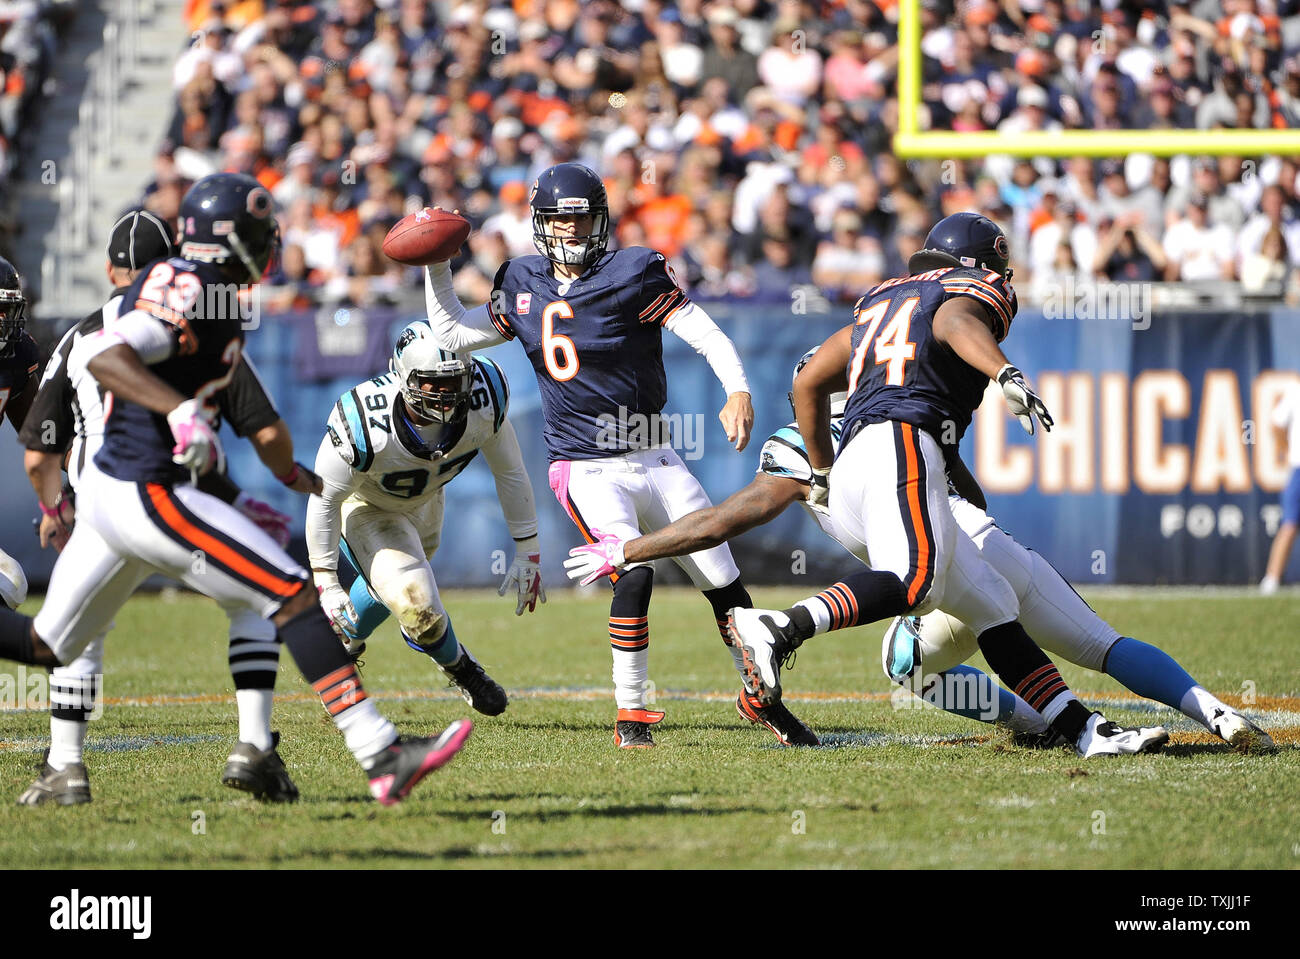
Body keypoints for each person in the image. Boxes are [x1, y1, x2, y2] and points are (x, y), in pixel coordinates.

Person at [0, 173, 472, 806]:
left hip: (112, 497)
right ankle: (380, 752)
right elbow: (108, 353)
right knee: (290, 592)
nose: (269, 240)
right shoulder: (194, 286)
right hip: (147, 487)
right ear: (229, 236)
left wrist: (284, 479)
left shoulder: (210, 291)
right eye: (258, 228)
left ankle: (74, 770)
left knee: (47, 643)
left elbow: (258, 423)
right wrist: (179, 412)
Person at [566, 348, 1273, 753]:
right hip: (989, 544)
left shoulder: (810, 441)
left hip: (937, 565)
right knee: (1101, 642)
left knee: (905, 656)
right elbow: (972, 492)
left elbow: (724, 520)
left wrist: (630, 546)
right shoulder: (908, 413)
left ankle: (1044, 723)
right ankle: (1209, 710)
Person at [725, 212, 1170, 757]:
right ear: (985, 267)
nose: (1004, 285)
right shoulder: (965, 293)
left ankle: (1084, 730)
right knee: (916, 584)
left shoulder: (879, 299)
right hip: (902, 441)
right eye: (1000, 273)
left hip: (861, 464)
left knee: (993, 605)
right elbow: (959, 323)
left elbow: (807, 381)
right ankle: (781, 627)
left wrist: (820, 470)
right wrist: (1004, 372)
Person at [421, 162, 816, 748]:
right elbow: (450, 334)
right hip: (583, 465)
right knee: (630, 574)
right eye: (560, 221)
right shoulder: (522, 280)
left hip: (657, 455)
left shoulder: (633, 271)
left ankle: (759, 698)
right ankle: (631, 716)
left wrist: (738, 389)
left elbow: (704, 332)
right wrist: (434, 264)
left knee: (725, 583)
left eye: (582, 222)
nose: (572, 233)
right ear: (541, 224)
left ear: (601, 222)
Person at [17, 209, 308, 804]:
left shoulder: (79, 336)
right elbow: (259, 421)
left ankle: (67, 765)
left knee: (78, 634)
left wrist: (53, 507)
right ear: (170, 261)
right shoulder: (200, 310)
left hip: (98, 496)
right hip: (179, 495)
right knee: (255, 598)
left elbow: (38, 450)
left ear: (109, 270)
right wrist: (286, 475)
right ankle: (256, 744)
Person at [306, 320, 543, 716]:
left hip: (427, 503)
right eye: (434, 383)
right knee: (419, 607)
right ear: (404, 378)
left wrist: (528, 548)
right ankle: (462, 668)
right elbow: (324, 498)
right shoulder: (365, 421)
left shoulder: (484, 397)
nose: (447, 394)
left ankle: (339, 648)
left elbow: (510, 471)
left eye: (455, 382)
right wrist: (326, 582)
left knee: (390, 593)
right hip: (369, 507)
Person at [1261, 375, 1300, 594]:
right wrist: (1285, 447)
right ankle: (1272, 579)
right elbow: (1276, 424)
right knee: (1289, 524)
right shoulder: (1296, 391)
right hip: (1299, 468)